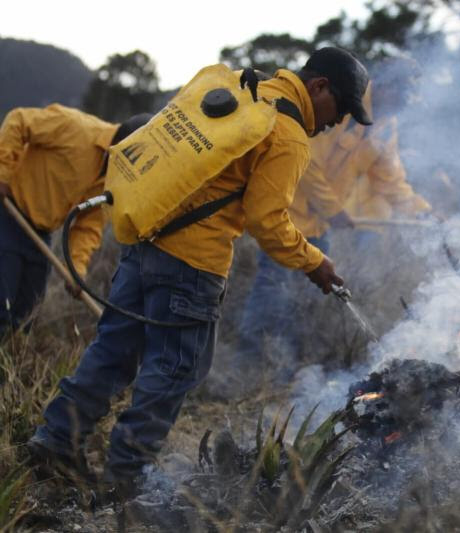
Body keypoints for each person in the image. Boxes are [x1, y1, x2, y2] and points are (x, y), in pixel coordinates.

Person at [27, 47, 372, 495]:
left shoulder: (246, 90)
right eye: (341, 107)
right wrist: (314, 262)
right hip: (193, 265)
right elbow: (267, 222)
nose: (337, 121)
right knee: (172, 371)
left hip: (145, 240)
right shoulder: (286, 135)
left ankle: (54, 440)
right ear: (319, 87)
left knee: (113, 350)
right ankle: (123, 480)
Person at [237, 57, 429, 366]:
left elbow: (390, 179)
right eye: (403, 95)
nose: (404, 105)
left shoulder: (384, 127)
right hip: (290, 214)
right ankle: (247, 361)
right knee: (273, 288)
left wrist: (422, 213)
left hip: (320, 225)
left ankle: (288, 362)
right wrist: (334, 209)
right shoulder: (339, 102)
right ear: (387, 86)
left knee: (306, 299)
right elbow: (307, 162)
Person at [0, 106, 150, 346]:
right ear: (124, 146)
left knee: (24, 316)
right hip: (5, 213)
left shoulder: (114, 178)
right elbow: (18, 121)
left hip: (39, 235)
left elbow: (88, 224)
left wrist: (76, 269)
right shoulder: (75, 128)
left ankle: (2, 373)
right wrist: (1, 172)